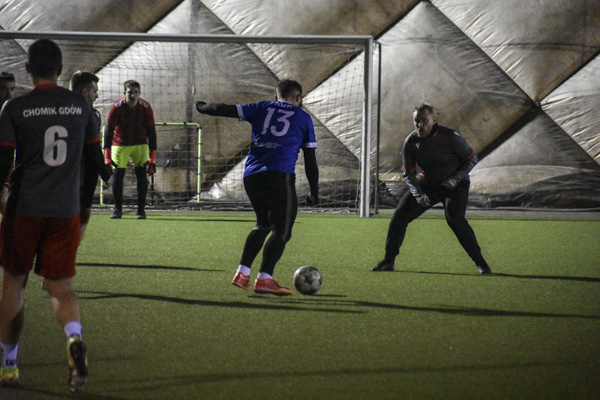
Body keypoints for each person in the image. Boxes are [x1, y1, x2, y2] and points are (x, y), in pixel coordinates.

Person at [0, 39, 99, 392]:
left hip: (24, 208)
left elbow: (3, 162)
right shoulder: (81, 106)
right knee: (60, 286)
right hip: (65, 210)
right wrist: (83, 206)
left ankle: (8, 365)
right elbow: (93, 162)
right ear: (60, 70)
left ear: (28, 69)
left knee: (14, 281)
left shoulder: (14, 107)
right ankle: (74, 338)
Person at [195, 79, 319, 296]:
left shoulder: (262, 107)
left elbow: (223, 109)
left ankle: (242, 273)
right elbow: (310, 160)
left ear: (276, 96)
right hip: (279, 176)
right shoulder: (303, 118)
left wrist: (202, 107)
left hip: (252, 177)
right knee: (282, 230)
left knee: (263, 224)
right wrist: (314, 192)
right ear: (298, 98)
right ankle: (264, 278)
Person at [372, 104, 492, 275]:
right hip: (429, 184)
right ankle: (388, 261)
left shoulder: (450, 137)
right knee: (399, 217)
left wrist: (455, 179)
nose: (420, 125)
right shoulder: (411, 142)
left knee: (455, 220)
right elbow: (408, 173)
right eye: (417, 121)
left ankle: (481, 263)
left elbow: (472, 159)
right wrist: (418, 194)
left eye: (425, 120)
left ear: (434, 120)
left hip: (455, 185)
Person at [103, 80, 157, 219]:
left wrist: (152, 158)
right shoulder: (116, 107)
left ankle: (141, 210)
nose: (133, 96)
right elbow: (108, 132)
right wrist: (107, 157)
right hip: (120, 144)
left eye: (135, 92)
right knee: (117, 176)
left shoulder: (145, 107)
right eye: (130, 92)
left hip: (140, 144)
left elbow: (152, 133)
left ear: (140, 93)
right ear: (124, 93)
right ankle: (117, 209)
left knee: (141, 176)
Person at [70, 71, 112, 240]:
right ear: (84, 92)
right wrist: (105, 174)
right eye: (95, 91)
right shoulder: (91, 115)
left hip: (60, 174)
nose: (97, 95)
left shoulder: (57, 111)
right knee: (79, 217)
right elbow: (94, 149)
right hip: (82, 174)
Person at [0, 72, 16, 206]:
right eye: (4, 89)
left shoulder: (13, 116)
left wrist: (5, 184)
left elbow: (9, 155)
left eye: (12, 89)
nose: (9, 94)